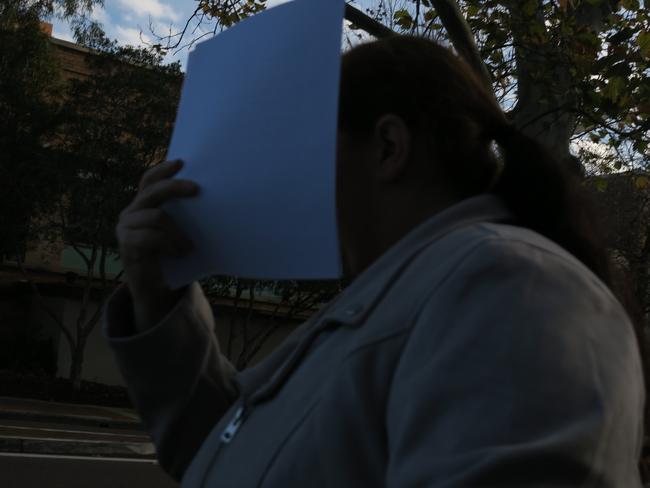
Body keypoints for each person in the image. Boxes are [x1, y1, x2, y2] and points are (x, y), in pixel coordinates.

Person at [104, 35, 645, 487]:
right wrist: (158, 294)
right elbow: (223, 450)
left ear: (388, 147)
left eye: (312, 147)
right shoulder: (387, 302)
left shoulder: (512, 288)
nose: (298, 176)